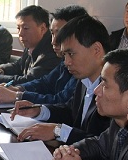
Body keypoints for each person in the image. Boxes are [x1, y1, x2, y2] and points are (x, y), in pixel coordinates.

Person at [51, 48, 128, 160]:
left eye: (105, 85)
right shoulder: (119, 124)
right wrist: (69, 152)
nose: (96, 91)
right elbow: (98, 145)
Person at [11, 15, 111, 144]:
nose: (66, 62)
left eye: (71, 54)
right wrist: (39, 110)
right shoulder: (85, 80)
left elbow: (105, 145)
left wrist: (58, 131)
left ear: (96, 50)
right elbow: (70, 112)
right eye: (64, 55)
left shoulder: (115, 89)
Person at [0, 4, 86, 104]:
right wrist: (19, 88)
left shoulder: (75, 63)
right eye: (52, 33)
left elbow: (61, 101)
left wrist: (18, 96)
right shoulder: (64, 60)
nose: (53, 41)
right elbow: (45, 83)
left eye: (60, 34)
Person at [0, 5, 58, 87]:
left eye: (25, 28)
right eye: (18, 28)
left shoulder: (52, 52)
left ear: (42, 28)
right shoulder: (32, 44)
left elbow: (30, 81)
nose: (20, 33)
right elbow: (19, 65)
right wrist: (2, 69)